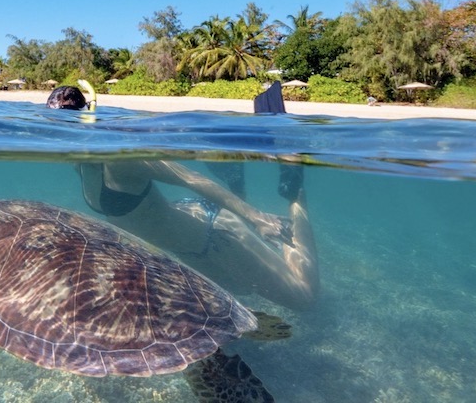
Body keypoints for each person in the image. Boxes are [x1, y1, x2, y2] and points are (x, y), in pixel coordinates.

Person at [47, 84, 319, 310]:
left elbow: (192, 179)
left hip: (215, 238)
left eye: (64, 127)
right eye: (53, 128)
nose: (58, 139)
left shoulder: (121, 159)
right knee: (241, 293)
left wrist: (257, 218)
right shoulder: (78, 161)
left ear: (85, 120)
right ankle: (236, 176)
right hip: (192, 248)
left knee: (304, 298)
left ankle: (294, 186)